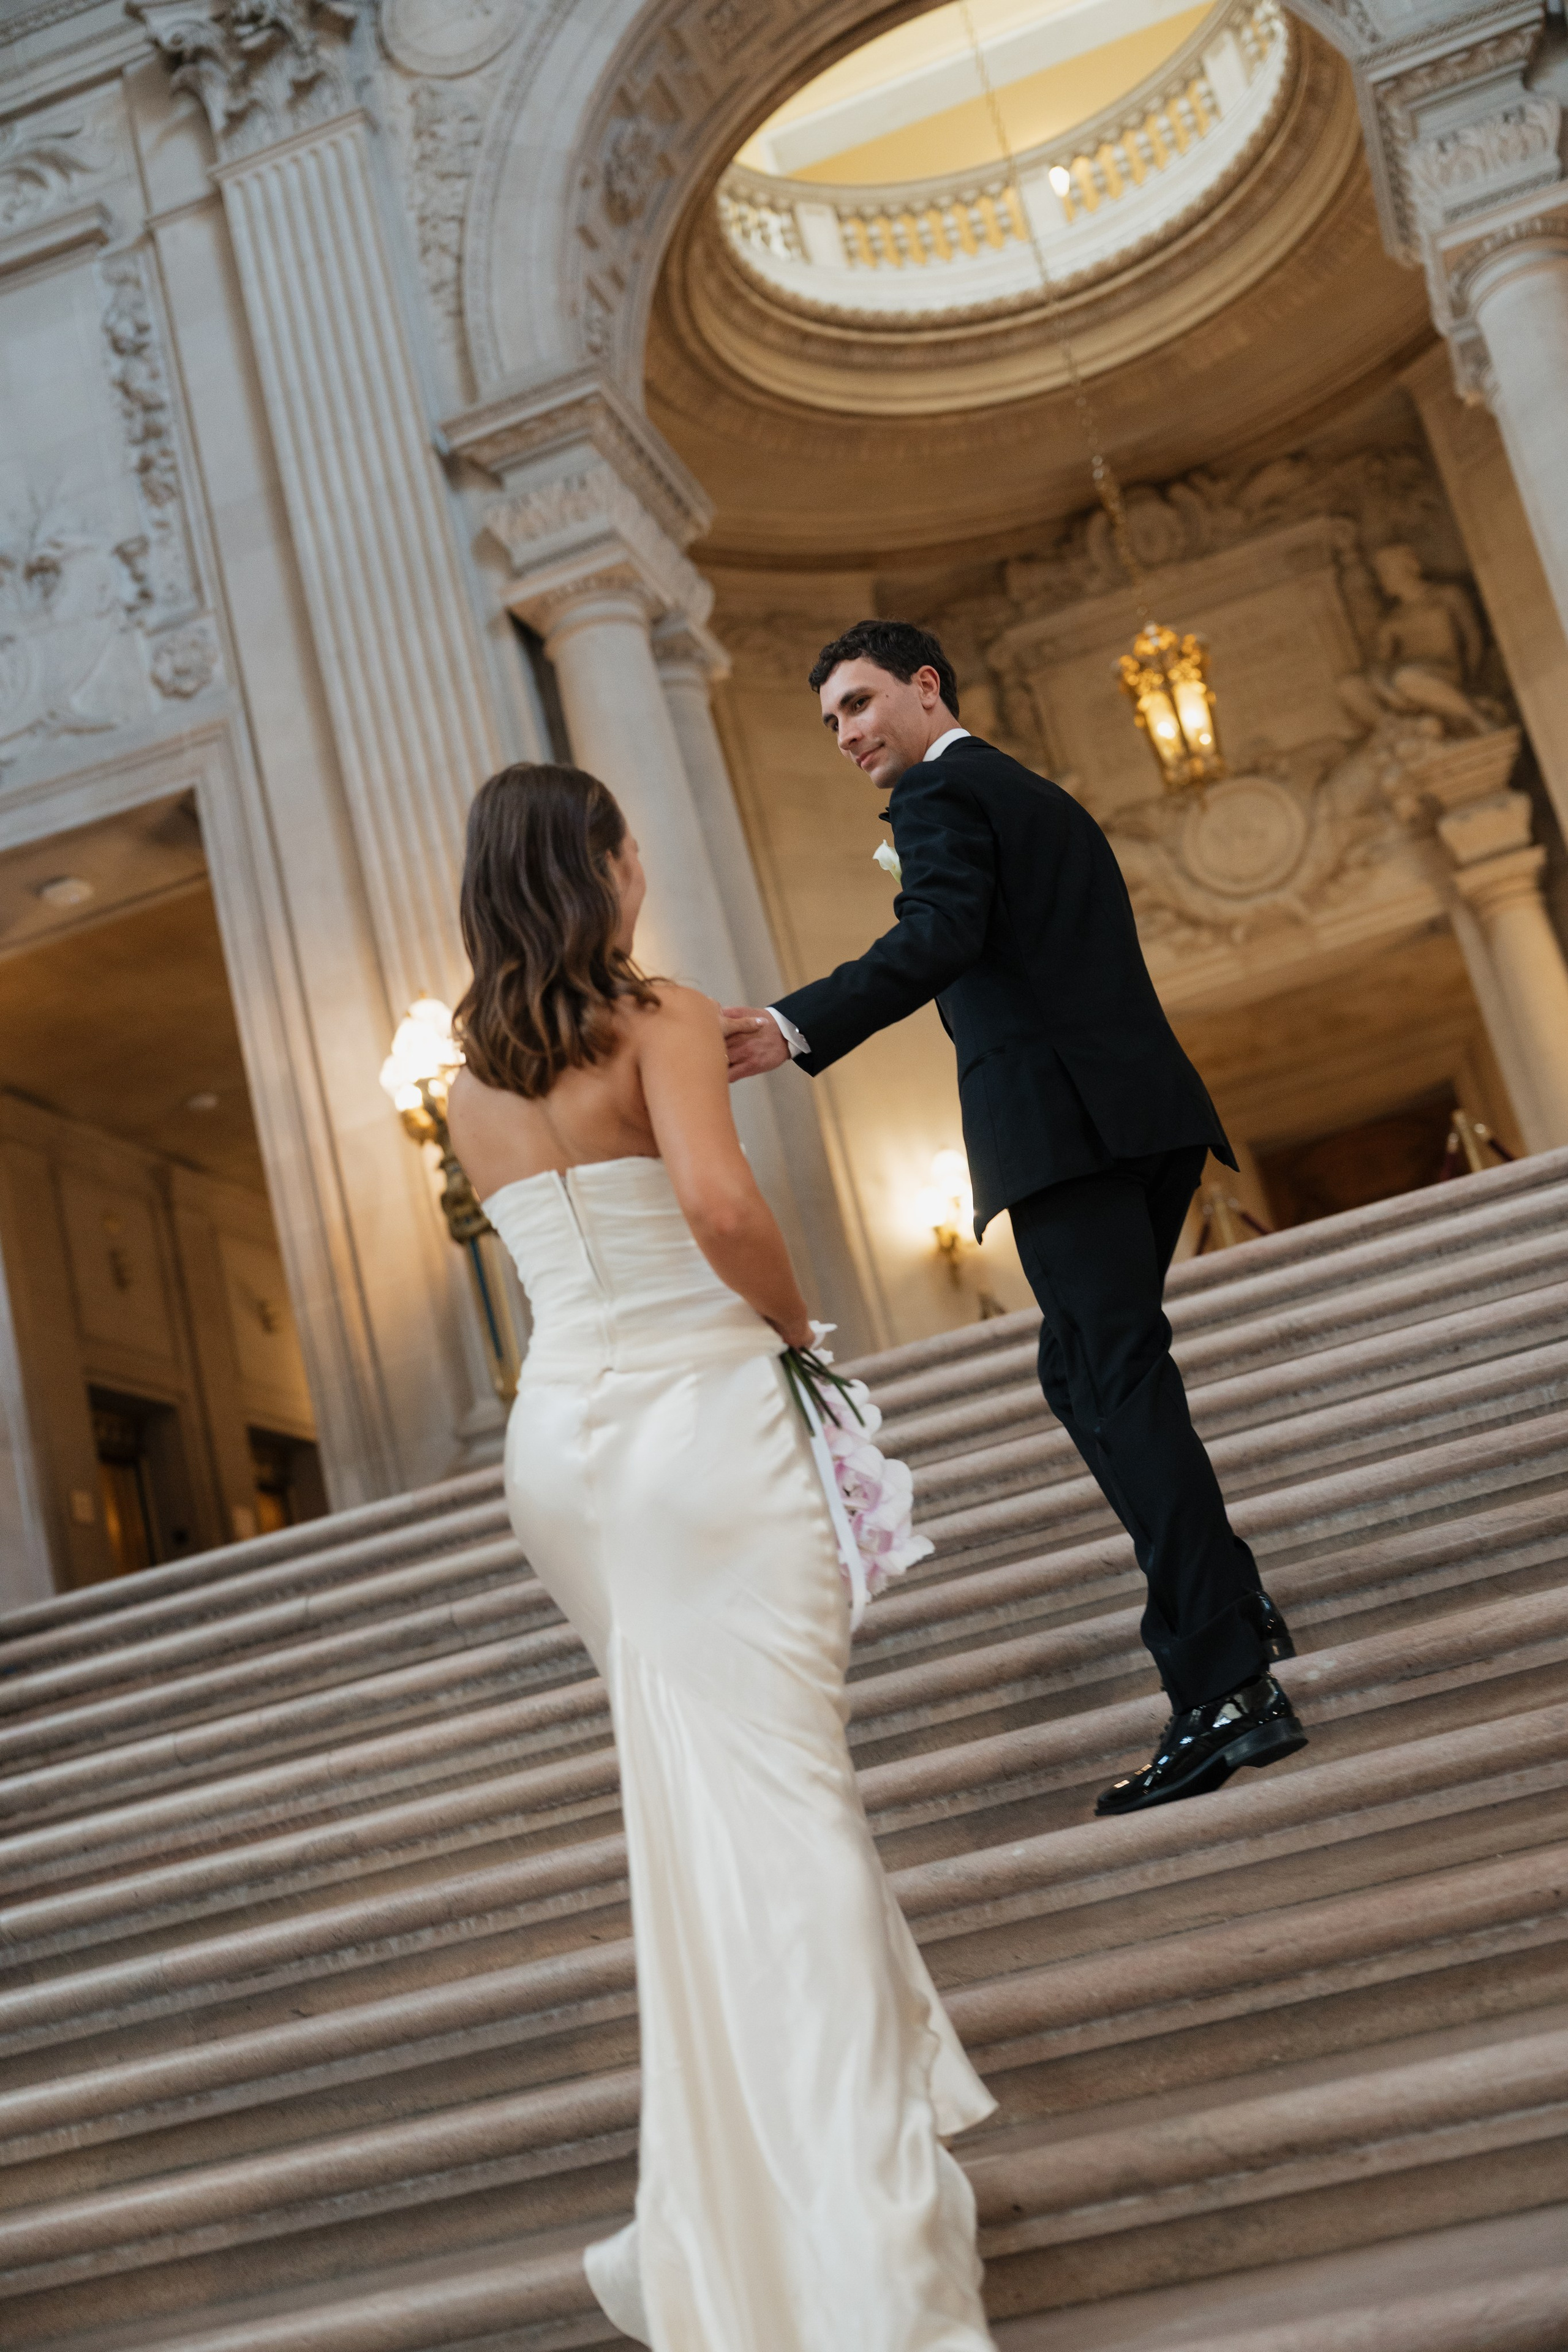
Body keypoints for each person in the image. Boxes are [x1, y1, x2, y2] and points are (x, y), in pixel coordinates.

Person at [445, 761, 997, 2352]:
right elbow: (714, 1202)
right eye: (627, 842)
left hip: (561, 1452)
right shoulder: (658, 1014)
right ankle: (857, 2216)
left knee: (693, 1804)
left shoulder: (473, 1080)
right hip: (700, 1418)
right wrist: (793, 1332)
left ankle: (751, 2184)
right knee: (787, 1790)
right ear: (603, 865)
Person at [721, 619, 1307, 1818]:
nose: (845, 733)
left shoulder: (938, 801)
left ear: (924, 687)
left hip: (1063, 1131)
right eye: (830, 718)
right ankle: (1230, 1606)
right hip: (1137, 1117)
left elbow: (935, 936)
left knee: (1112, 1375)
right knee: (1083, 1374)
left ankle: (1225, 1684)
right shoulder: (1029, 793)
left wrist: (789, 1025)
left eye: (858, 702)